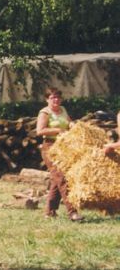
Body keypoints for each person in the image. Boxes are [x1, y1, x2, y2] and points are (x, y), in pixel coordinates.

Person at [36, 87, 83, 221]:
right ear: (47, 99)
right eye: (52, 97)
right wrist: (58, 130)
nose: (56, 100)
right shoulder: (44, 113)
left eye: (58, 97)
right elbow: (40, 131)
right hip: (50, 148)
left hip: (63, 147)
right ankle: (72, 212)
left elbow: (68, 122)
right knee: (62, 178)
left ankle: (50, 212)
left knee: (56, 181)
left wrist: (73, 125)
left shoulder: (63, 110)